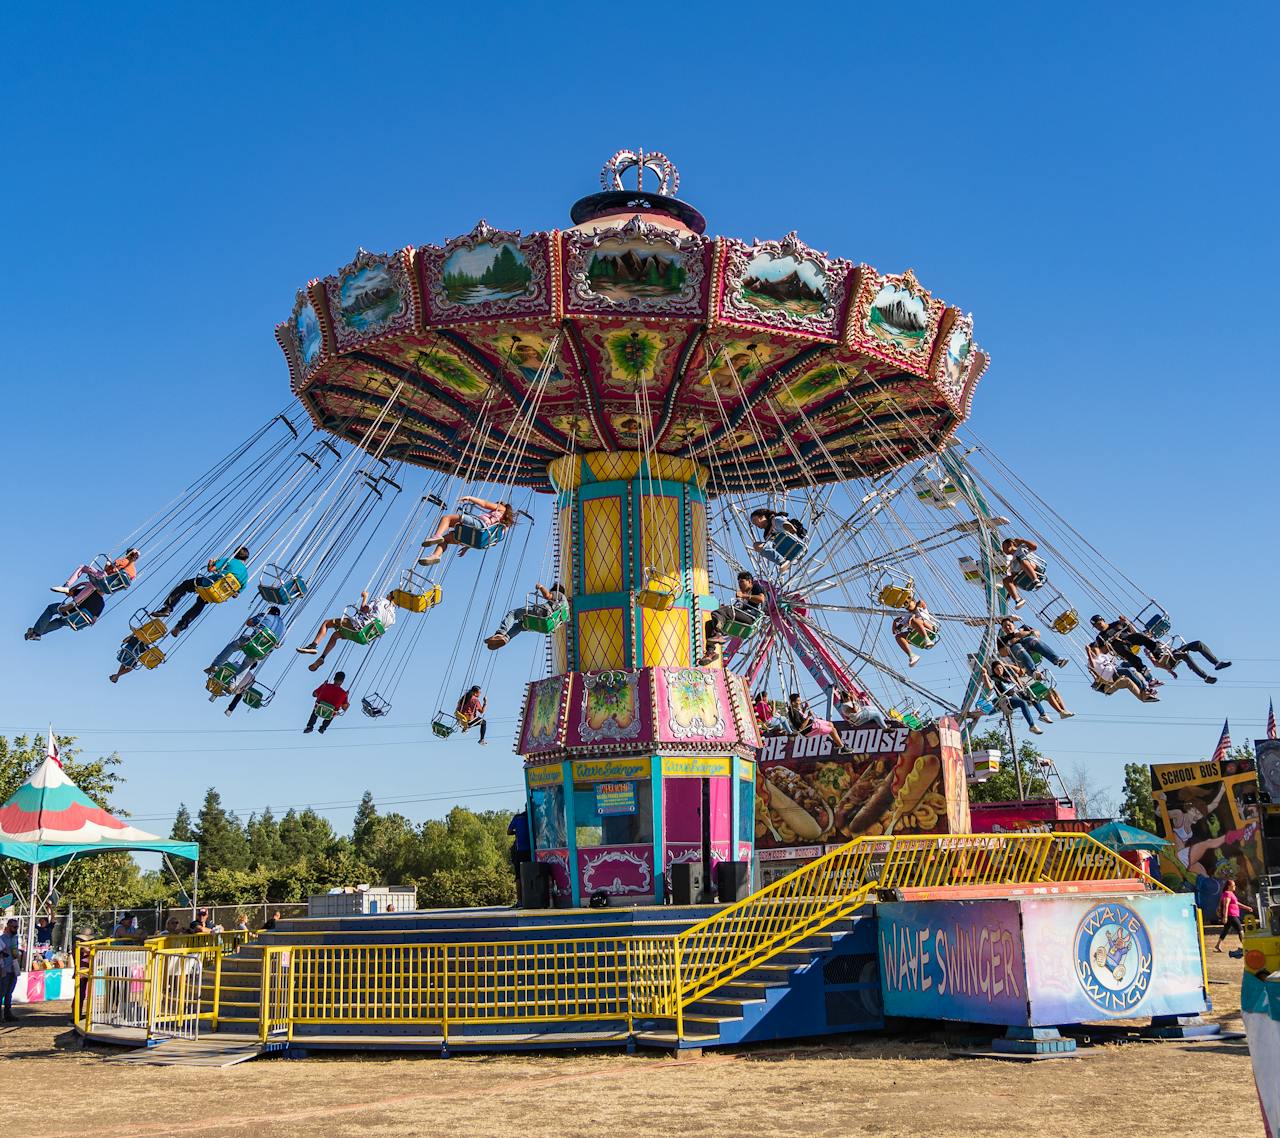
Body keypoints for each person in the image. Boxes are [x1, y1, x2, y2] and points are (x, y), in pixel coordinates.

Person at [152, 546, 251, 637]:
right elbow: (236, 595)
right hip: (218, 595)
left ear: (235, 553)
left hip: (208, 584)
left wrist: (210, 564)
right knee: (201, 602)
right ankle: (180, 627)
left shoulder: (229, 561)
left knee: (186, 585)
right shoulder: (245, 575)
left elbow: (211, 569)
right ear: (246, 559)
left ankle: (167, 608)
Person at [296, 590, 396, 671]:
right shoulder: (393, 619)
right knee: (335, 635)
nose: (387, 594)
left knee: (327, 623)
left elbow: (363, 609)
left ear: (391, 596)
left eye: (388, 594)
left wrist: (365, 596)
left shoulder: (381, 600)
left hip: (358, 626)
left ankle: (313, 645)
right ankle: (322, 658)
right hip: (363, 638)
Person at [418, 496, 517, 566]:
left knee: (446, 518)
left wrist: (470, 498)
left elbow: (484, 504)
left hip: (479, 525)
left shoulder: (501, 508)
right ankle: (436, 555)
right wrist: (467, 546)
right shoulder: (503, 527)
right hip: (478, 539)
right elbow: (483, 536)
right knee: (445, 539)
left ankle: (437, 535)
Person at [486, 582, 568, 650]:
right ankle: (506, 638)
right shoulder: (566, 609)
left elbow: (547, 595)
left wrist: (541, 587)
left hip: (544, 613)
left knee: (513, 613)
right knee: (521, 625)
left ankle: (500, 633)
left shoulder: (559, 594)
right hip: (546, 626)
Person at [208, 606, 284, 677]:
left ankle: (216, 665)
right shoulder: (283, 628)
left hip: (251, 643)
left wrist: (257, 622)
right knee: (248, 663)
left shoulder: (266, 616)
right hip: (262, 652)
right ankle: (233, 684)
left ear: (269, 611)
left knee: (232, 646)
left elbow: (249, 623)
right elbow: (279, 645)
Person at [1089, 615, 1158, 686]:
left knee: (1142, 637)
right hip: (1119, 647)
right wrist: (1110, 642)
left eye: (1099, 624)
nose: (1099, 627)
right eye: (1096, 626)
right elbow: (1103, 651)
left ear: (1103, 620)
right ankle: (1150, 679)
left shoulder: (1116, 624)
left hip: (1128, 638)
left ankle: (1157, 654)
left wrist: (1126, 622)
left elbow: (1132, 631)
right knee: (1134, 660)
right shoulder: (1100, 637)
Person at [987, 658, 1051, 734]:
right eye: (997, 669)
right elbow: (990, 687)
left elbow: (1018, 670)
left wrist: (1005, 665)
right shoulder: (994, 679)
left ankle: (1042, 714)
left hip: (1017, 694)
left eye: (1000, 668)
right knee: (1022, 703)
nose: (999, 670)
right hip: (1007, 700)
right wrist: (985, 675)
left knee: (1032, 696)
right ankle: (1032, 726)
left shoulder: (1008, 676)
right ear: (994, 670)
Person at [25, 587, 105, 640]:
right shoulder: (102, 604)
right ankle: (35, 634)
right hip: (76, 621)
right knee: (61, 622)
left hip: (70, 611)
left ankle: (37, 632)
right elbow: (93, 620)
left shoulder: (89, 590)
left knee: (51, 609)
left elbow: (70, 593)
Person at [1145, 636, 1232, 685]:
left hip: (1172, 653)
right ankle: (1205, 677)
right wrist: (1170, 671)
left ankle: (1217, 663)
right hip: (1167, 660)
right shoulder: (1148, 649)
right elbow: (1156, 664)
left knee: (1198, 644)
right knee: (1185, 656)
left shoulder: (1156, 641)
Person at [52, 549, 141, 597]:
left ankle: (66, 586)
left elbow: (107, 570)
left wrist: (107, 564)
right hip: (108, 589)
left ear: (128, 554)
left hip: (104, 580)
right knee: (90, 585)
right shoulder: (134, 572)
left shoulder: (123, 560)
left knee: (82, 567)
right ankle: (75, 601)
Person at [1086, 642, 1157, 701]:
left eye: (1097, 649)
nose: (1098, 650)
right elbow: (1093, 665)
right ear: (1092, 651)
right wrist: (1088, 652)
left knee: (1129, 663)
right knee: (1127, 671)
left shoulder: (1102, 656)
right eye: (1095, 649)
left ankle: (1149, 680)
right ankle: (1144, 689)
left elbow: (1109, 652)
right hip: (1111, 675)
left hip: (1115, 669)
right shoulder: (1091, 661)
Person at [997, 616, 1069, 672]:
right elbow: (1002, 653)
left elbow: (1037, 634)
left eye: (1009, 625)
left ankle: (1057, 660)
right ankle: (1033, 671)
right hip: (1019, 656)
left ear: (1014, 625)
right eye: (1004, 627)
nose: (1007, 627)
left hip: (1032, 649)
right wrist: (1010, 643)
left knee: (1032, 639)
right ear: (1003, 629)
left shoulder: (1023, 628)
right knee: (1017, 646)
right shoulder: (1002, 639)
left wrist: (1025, 633)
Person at [785, 693, 851, 752]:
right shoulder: (793, 713)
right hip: (809, 729)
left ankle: (837, 743)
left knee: (830, 724)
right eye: (798, 701)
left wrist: (805, 708)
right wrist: (808, 716)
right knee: (832, 730)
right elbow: (801, 728)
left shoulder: (796, 709)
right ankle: (842, 748)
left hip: (812, 724)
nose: (800, 702)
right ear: (793, 703)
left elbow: (801, 717)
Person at [892, 597, 936, 667]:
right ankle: (912, 655)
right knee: (898, 637)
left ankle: (927, 639)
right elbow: (895, 632)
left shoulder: (921, 608)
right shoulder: (908, 617)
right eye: (906, 607)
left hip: (929, 628)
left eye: (909, 605)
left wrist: (914, 614)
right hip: (917, 634)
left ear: (914, 602)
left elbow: (921, 602)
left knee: (914, 620)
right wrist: (894, 622)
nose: (908, 608)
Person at [1000, 536, 1042, 609]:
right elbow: (1014, 576)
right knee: (1006, 580)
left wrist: (1023, 541)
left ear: (1010, 544)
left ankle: (1035, 580)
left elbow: (1034, 547)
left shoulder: (1021, 548)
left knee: (1021, 560)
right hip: (1022, 573)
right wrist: (1010, 593)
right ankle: (1018, 599)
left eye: (1004, 547)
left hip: (1033, 567)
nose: (1004, 550)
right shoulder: (1011, 561)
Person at [1215, 878, 1253, 952]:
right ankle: (1245, 946)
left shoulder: (1231, 893)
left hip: (1231, 914)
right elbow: (1226, 905)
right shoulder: (1227, 893)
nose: (1235, 887)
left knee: (1226, 930)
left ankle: (1218, 945)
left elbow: (1236, 903)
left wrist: (1246, 907)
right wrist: (1225, 916)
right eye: (1233, 885)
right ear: (1229, 886)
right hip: (1231, 915)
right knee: (1240, 930)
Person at [0, 918, 23, 1022]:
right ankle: (1, 1015)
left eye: (17, 927)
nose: (16, 929)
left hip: (13, 967)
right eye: (14, 927)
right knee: (2, 992)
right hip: (4, 968)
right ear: (8, 927)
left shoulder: (16, 938)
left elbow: (16, 952)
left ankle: (8, 1013)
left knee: (10, 992)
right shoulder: (2, 939)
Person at [508, 809, 532, 903]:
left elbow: (509, 831)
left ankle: (520, 901)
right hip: (532, 850)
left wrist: (516, 832)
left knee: (518, 876)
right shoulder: (533, 818)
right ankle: (531, 898)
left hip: (520, 851)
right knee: (531, 874)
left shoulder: (518, 818)